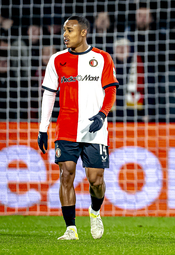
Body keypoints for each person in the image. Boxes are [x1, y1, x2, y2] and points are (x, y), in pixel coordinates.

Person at [37, 16, 119, 240]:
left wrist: (103, 114)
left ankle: (94, 211)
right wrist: (43, 128)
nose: (65, 34)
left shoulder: (102, 58)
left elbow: (111, 90)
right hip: (66, 127)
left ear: (83, 32)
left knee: (96, 181)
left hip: (95, 128)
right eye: (64, 30)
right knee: (66, 175)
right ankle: (70, 229)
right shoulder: (56, 60)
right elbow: (49, 94)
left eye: (70, 30)